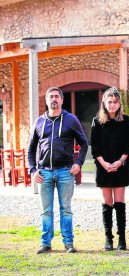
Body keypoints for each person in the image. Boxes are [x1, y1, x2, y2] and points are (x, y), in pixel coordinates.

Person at [28, 87, 88, 254]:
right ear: (46, 101)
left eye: (56, 97)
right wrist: (33, 170)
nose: (54, 99)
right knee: (46, 210)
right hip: (44, 172)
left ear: (62, 100)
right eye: (51, 97)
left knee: (66, 209)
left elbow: (84, 142)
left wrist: (79, 163)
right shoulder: (39, 122)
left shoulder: (71, 120)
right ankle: (45, 243)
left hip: (65, 172)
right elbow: (31, 148)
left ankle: (68, 243)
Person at [91, 87, 129, 251]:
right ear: (104, 103)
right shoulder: (97, 121)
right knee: (107, 203)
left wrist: (120, 161)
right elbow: (94, 148)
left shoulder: (126, 120)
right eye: (109, 102)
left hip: (120, 166)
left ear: (119, 104)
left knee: (120, 203)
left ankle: (122, 238)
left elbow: (128, 145)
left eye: (115, 102)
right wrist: (104, 164)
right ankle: (108, 238)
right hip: (103, 167)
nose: (112, 105)